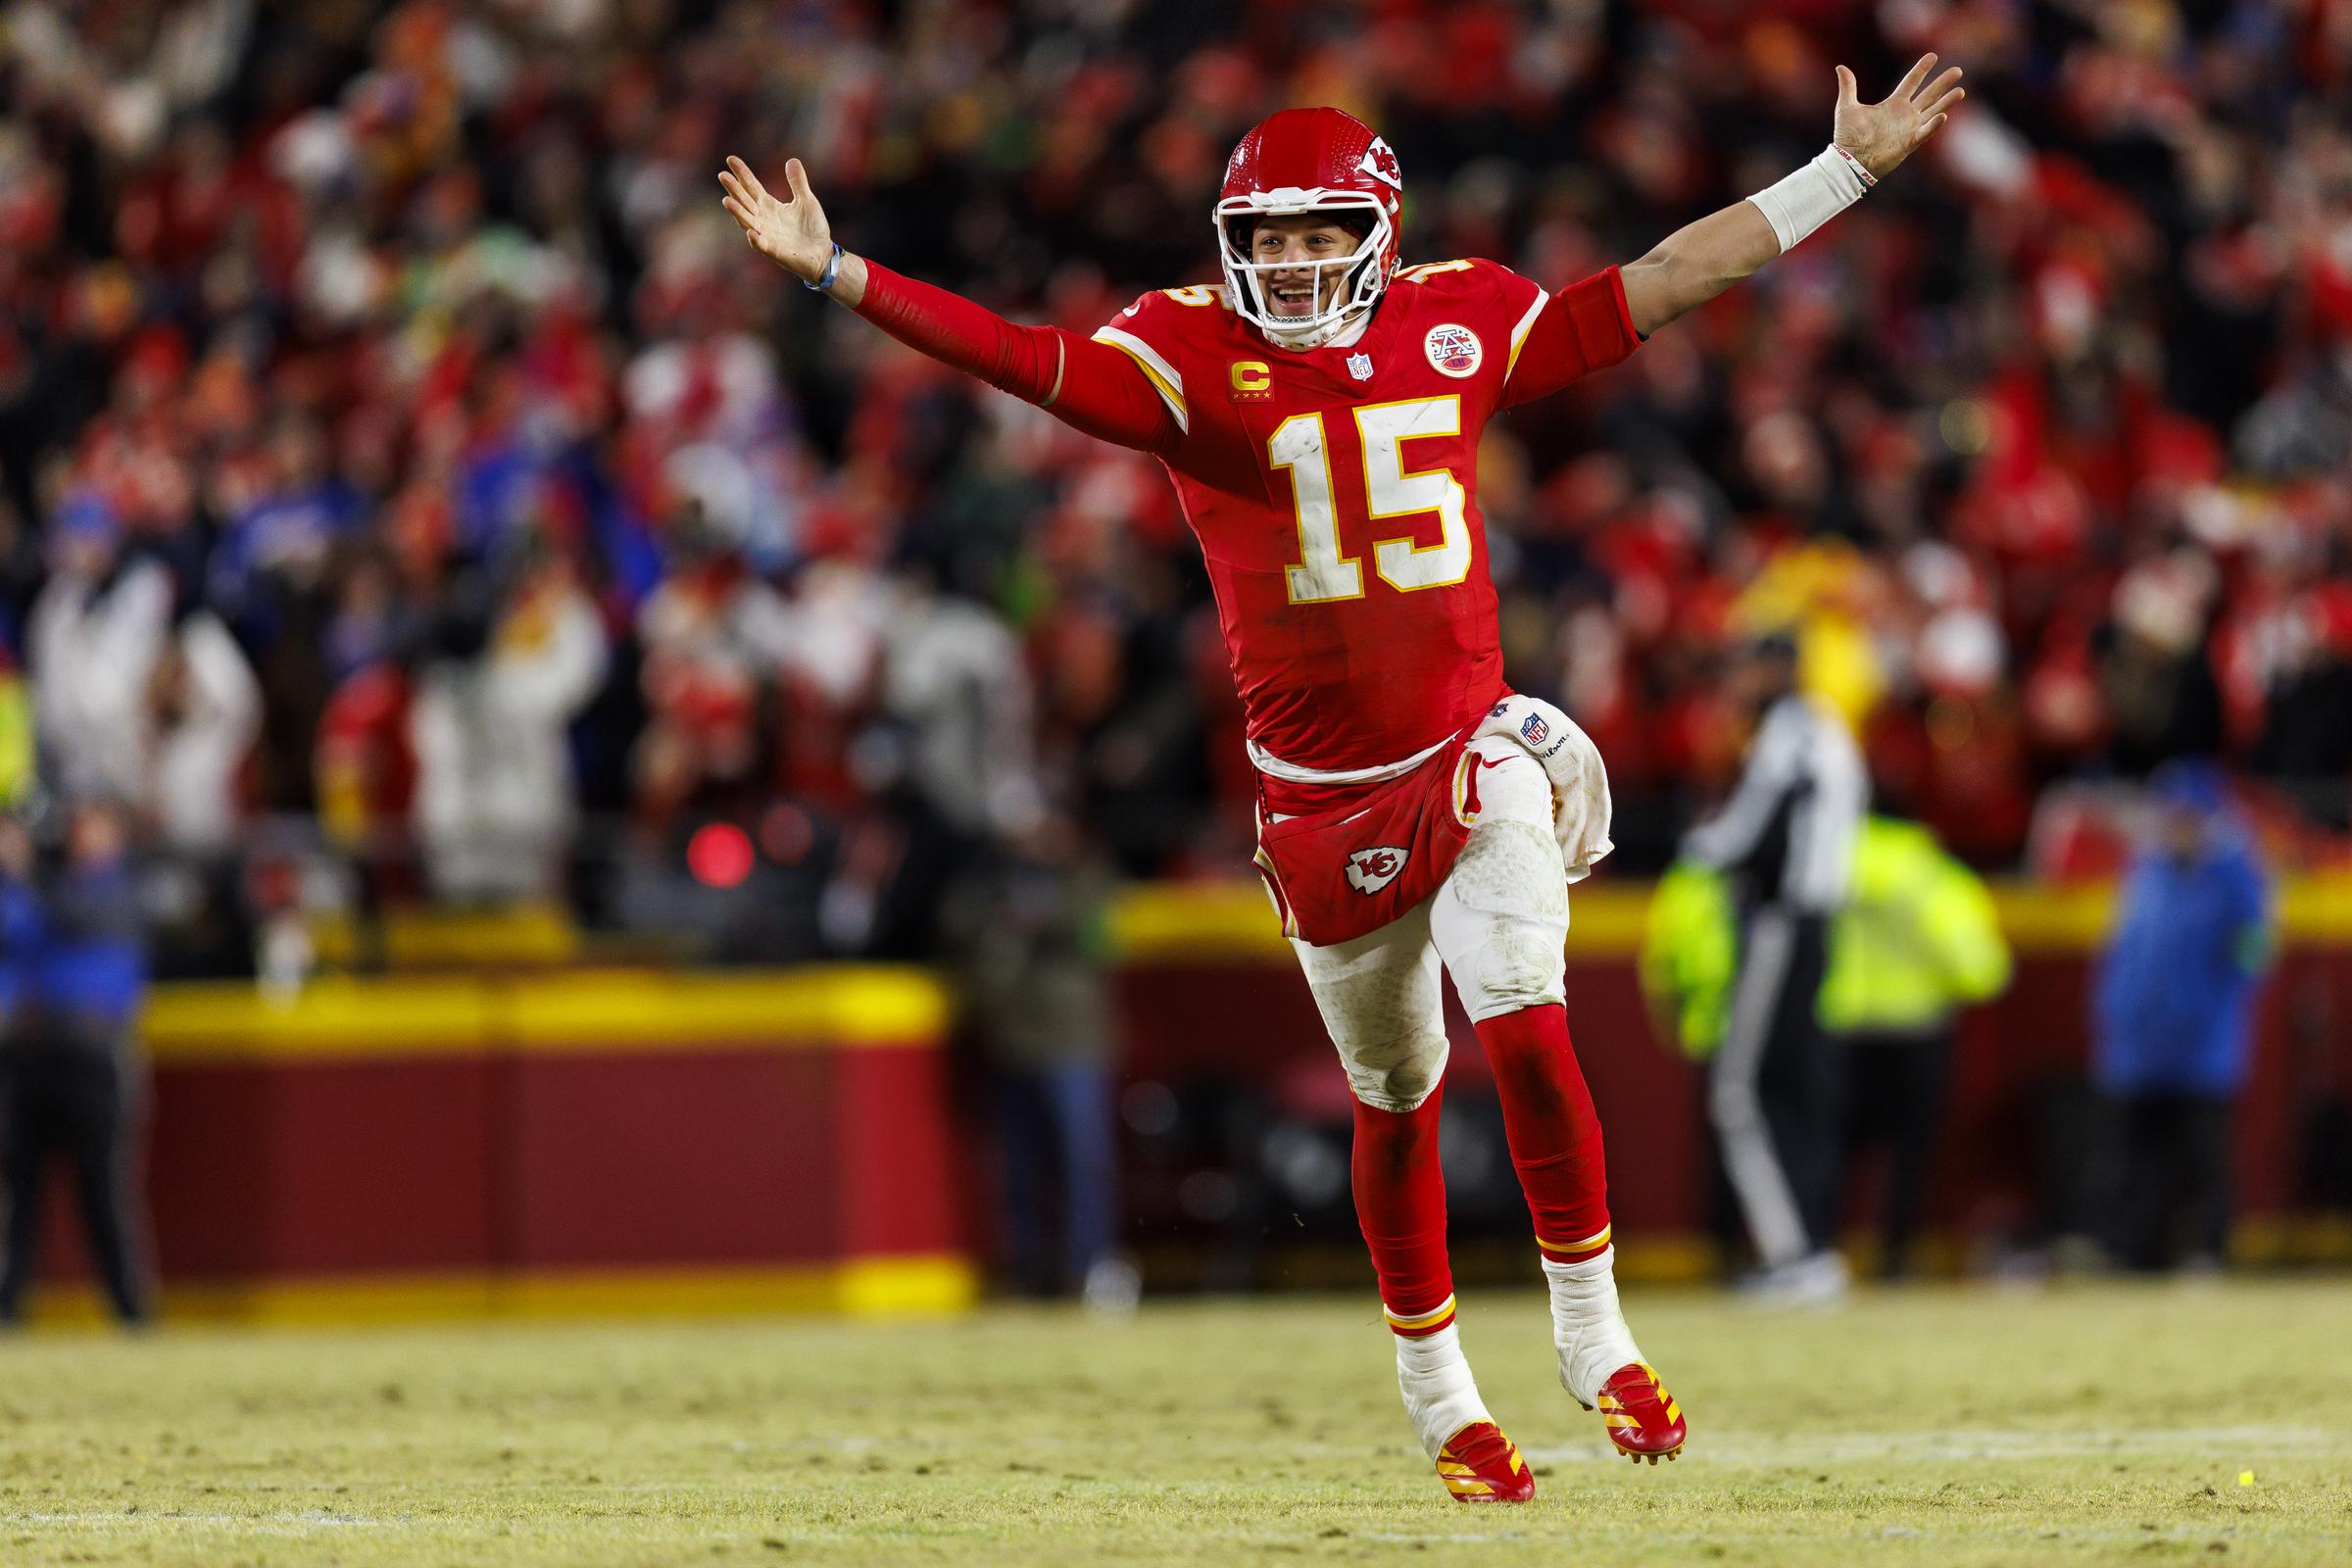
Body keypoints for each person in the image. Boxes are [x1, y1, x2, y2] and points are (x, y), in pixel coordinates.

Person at [719, 57, 1963, 1500]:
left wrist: (1845, 173)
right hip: (1316, 801)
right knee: (1397, 1093)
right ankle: (1439, 1396)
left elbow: (1668, 280)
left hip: (1463, 753)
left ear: (1373, 229)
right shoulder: (1188, 357)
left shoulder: (1463, 316)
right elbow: (1027, 358)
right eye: (1266, 238)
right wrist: (842, 274)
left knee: (1531, 1025)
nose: (1291, 262)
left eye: (1317, 234)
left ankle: (1596, 1339)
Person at [1681, 631, 1867, 1302]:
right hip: (1816, 924)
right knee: (1795, 1092)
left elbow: (1744, 834)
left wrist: (1690, 845)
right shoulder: (1827, 729)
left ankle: (1795, 1253)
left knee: (1739, 1092)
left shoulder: (1792, 727)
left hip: (1782, 923)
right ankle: (1810, 1247)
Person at [2085, 760, 2274, 1272]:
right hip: (2140, 1045)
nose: (2177, 828)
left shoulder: (2236, 879)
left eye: (2187, 817)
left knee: (2205, 1155)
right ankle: (2130, 1253)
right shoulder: (2147, 873)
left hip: (2202, 1045)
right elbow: (2125, 954)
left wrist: (2215, 1008)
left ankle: (2211, 1251)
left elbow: (2254, 956)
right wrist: (2112, 1014)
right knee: (2136, 1157)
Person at [1817, 813, 2010, 1278]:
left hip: (1841, 1027)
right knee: (1908, 1158)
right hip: (1915, 1031)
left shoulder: (1825, 862)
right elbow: (1977, 967)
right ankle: (1894, 1259)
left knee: (1833, 1152)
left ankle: (1817, 1255)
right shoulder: (1930, 873)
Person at [0, 801, 153, 1325]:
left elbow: (75, 916)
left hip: (92, 1058)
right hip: (32, 1058)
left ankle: (131, 1310)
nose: (81, 836)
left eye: (95, 825)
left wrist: (21, 873)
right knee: (22, 1193)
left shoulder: (120, 889)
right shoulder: (44, 890)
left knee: (103, 1192)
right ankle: (9, 1309)